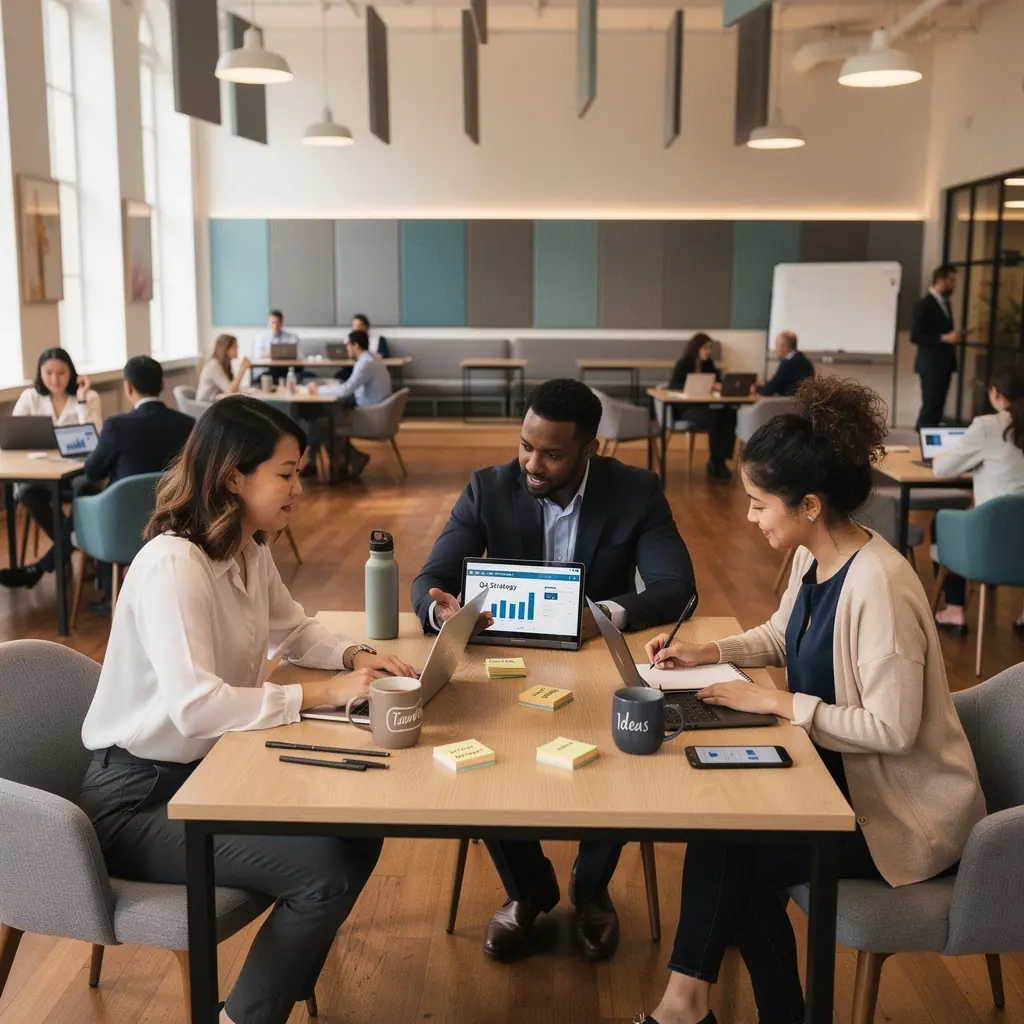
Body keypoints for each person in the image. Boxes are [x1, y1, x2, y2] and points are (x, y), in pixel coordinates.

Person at [636, 376, 985, 1024]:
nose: (750, 517)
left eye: (759, 504)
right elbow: (780, 633)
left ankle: (687, 1009)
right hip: (838, 775)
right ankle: (699, 1010)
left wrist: (779, 705)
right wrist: (708, 653)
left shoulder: (881, 587)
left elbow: (893, 731)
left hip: (904, 815)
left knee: (730, 857)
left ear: (811, 504)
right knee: (725, 838)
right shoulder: (814, 557)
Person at [77, 395, 414, 1024]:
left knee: (360, 825)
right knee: (328, 873)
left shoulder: (247, 548)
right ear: (235, 475)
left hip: (208, 773)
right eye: (286, 473)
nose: (300, 488)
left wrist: (357, 657)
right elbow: (197, 710)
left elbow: (296, 631)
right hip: (138, 799)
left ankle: (276, 989)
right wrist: (323, 694)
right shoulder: (174, 564)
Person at [411, 378, 697, 965]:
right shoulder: (487, 488)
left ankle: (590, 889)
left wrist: (602, 615)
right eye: (525, 446)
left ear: (591, 448)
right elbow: (429, 579)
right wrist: (440, 610)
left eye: (551, 453)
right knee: (482, 754)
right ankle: (529, 888)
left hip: (594, 657)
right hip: (504, 659)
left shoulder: (636, 489)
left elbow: (676, 587)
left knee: (628, 748)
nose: (532, 465)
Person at [69, 355, 195, 613]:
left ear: (127, 387)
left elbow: (93, 471)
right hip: (174, 518)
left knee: (84, 490)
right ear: (163, 385)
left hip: (121, 525)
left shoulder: (116, 426)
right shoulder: (187, 424)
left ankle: (107, 592)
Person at [932, 363, 1024, 634]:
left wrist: (938, 457)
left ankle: (955, 609)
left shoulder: (987, 425)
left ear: (995, 393)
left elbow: (942, 469)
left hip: (991, 537)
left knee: (943, 521)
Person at [0, 348, 101, 589]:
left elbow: (96, 435)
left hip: (78, 472)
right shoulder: (30, 397)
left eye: (62, 373)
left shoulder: (88, 396)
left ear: (72, 373)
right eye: (49, 373)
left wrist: (82, 398)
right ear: (40, 373)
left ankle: (51, 559)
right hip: (42, 472)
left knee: (84, 489)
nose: (55, 379)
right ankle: (66, 551)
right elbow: (12, 437)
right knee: (25, 492)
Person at [309, 330, 392, 479]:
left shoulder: (365, 363)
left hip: (369, 414)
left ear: (356, 346)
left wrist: (319, 390)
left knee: (320, 424)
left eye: (348, 345)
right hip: (376, 409)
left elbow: (346, 390)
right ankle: (346, 461)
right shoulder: (372, 359)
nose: (346, 349)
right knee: (327, 420)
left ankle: (334, 462)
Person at [668, 333, 737, 480]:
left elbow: (718, 382)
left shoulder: (709, 364)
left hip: (706, 406)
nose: (709, 352)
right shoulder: (684, 364)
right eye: (705, 348)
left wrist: (718, 386)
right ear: (696, 349)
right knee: (715, 416)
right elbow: (672, 386)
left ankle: (721, 460)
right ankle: (714, 461)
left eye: (710, 348)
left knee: (730, 412)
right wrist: (689, 385)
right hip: (687, 409)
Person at [911, 265, 962, 428]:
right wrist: (944, 338)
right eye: (951, 281)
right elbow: (915, 336)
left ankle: (933, 446)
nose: (954, 285)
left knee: (938, 409)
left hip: (944, 364)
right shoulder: (924, 304)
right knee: (930, 408)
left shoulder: (945, 303)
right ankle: (921, 444)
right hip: (931, 365)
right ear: (940, 281)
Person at [756, 331, 814, 397]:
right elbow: (782, 383)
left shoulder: (788, 364)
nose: (775, 349)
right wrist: (766, 384)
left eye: (777, 345)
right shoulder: (805, 360)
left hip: (788, 404)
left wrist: (757, 388)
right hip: (802, 404)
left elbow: (770, 389)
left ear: (784, 347)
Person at [252, 309, 301, 385]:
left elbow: (298, 355)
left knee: (298, 372)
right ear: (268, 323)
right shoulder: (261, 337)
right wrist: (271, 355)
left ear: (282, 323)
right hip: (270, 368)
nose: (275, 325)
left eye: (278, 322)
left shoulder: (292, 337)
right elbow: (257, 355)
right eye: (273, 322)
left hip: (287, 368)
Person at [198, 334, 251, 403]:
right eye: (235, 348)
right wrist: (242, 369)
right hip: (206, 406)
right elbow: (231, 391)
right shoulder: (214, 366)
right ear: (225, 349)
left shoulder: (224, 365)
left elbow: (235, 389)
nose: (237, 350)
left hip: (215, 404)